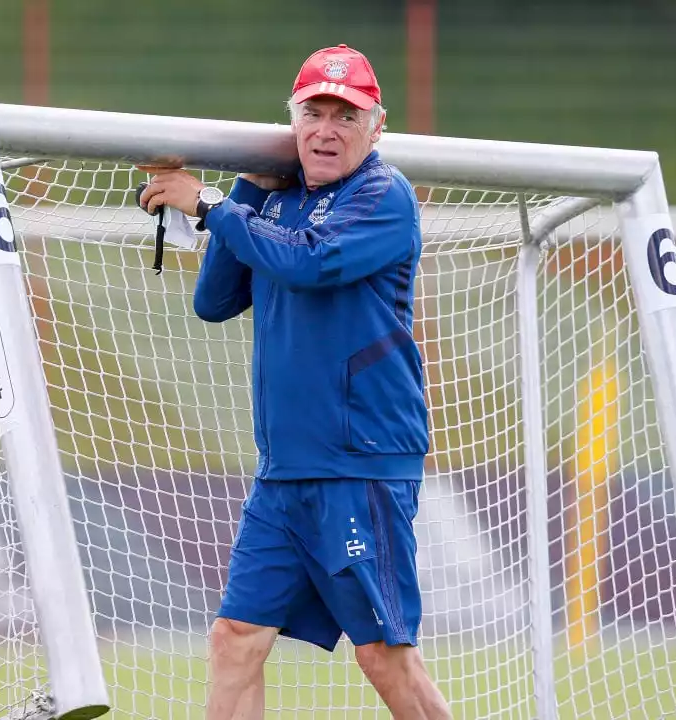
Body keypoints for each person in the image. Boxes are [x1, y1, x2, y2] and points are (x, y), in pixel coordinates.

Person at [138, 44, 451, 720]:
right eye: (314, 111)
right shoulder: (277, 204)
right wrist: (251, 187)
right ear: (294, 121)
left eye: (347, 114)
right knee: (235, 638)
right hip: (283, 474)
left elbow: (310, 262)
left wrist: (214, 203)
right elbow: (214, 301)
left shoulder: (382, 194)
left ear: (377, 126)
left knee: (383, 655)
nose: (328, 129)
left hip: (358, 466)